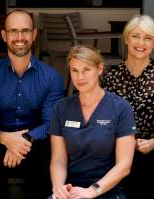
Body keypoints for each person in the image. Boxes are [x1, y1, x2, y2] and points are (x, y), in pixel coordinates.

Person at [0, 10, 64, 199]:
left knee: (46, 148)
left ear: (34, 34)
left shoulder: (52, 77)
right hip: (0, 149)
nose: (20, 37)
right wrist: (5, 139)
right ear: (4, 35)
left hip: (35, 146)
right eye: (14, 31)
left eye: (25, 31)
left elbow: (50, 123)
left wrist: (24, 141)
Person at [101, 14, 154, 199]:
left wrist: (153, 142)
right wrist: (125, 143)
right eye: (136, 35)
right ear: (126, 38)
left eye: (148, 38)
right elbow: (103, 119)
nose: (141, 42)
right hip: (120, 146)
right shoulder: (111, 78)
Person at [48, 44, 137, 199]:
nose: (79, 77)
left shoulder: (121, 107)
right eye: (74, 70)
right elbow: (58, 160)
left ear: (100, 69)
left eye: (86, 70)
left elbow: (124, 165)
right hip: (71, 190)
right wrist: (58, 189)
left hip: (106, 191)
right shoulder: (61, 108)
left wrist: (93, 190)